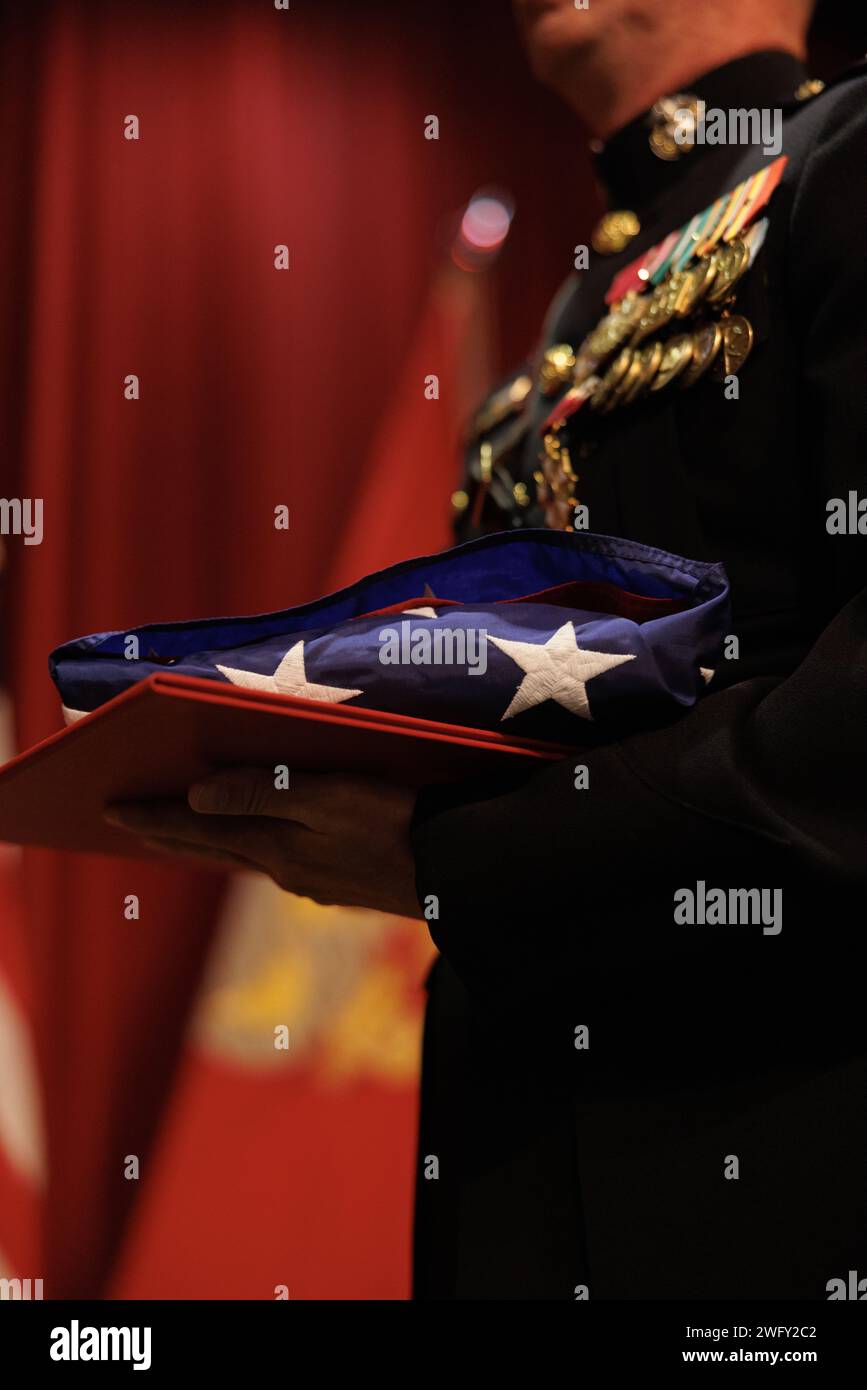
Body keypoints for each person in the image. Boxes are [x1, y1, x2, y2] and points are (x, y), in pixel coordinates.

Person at [110, 0, 867, 1298]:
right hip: (519, 1179)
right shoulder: (585, 296)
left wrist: (453, 856)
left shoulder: (844, 161)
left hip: (787, 1180)